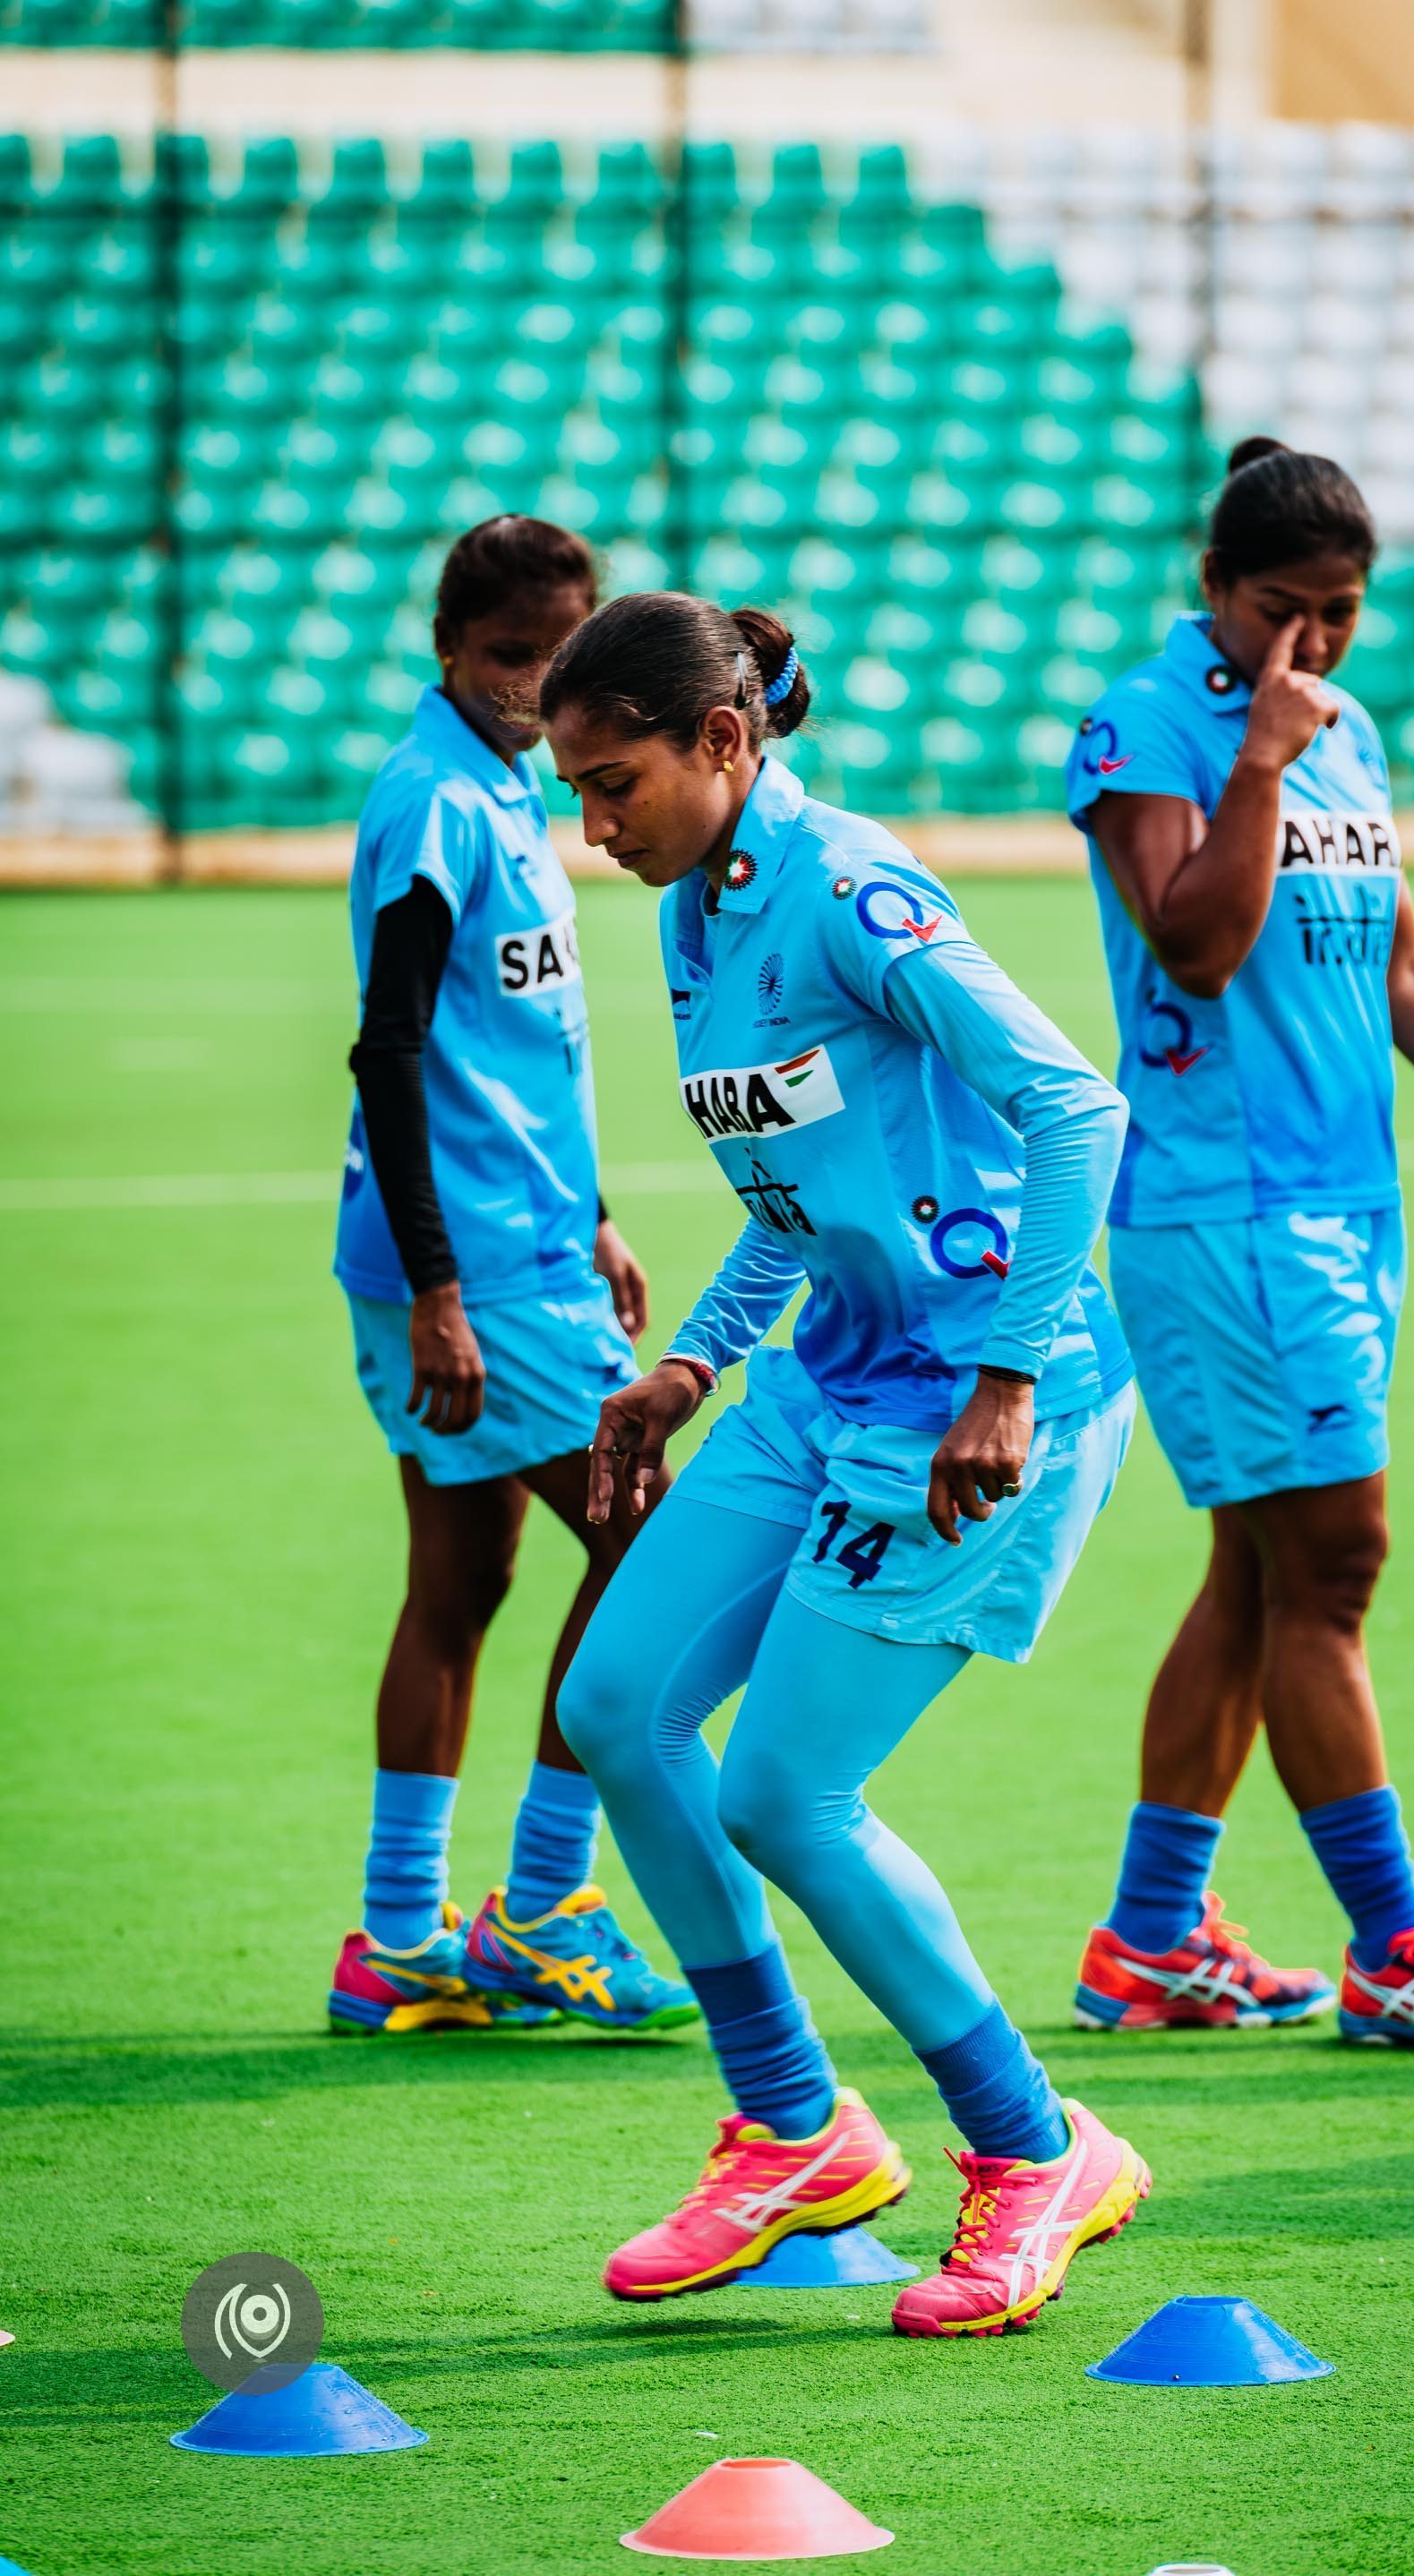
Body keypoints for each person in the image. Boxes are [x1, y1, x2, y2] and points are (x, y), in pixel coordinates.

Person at [534, 590, 1148, 2338]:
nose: (596, 822)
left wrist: (1009, 1374)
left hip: (978, 1404)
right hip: (829, 1375)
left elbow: (1079, 1109)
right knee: (618, 1703)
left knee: (781, 1794)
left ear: (724, 743)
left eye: (617, 779)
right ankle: (797, 2122)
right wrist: (689, 1367)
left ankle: (1039, 2152)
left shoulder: (853, 889)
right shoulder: (696, 911)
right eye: (578, 789)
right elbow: (800, 1194)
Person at [1066, 440, 1414, 2053]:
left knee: (1261, 1568)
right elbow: (1194, 936)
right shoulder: (1154, 726)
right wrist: (1258, 753)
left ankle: (1152, 1938)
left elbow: (1401, 968)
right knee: (1335, 1563)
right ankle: (1395, 1945)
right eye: (1279, 611)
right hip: (1225, 1210)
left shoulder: (1346, 731)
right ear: (1213, 591)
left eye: (1339, 616)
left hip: (1340, 1208)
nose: (1308, 646)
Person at [327, 514, 695, 2041]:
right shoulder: (435, 798)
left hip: (527, 1245)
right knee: (643, 1538)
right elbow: (394, 1047)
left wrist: (600, 1206)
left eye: (557, 654)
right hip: (473, 1268)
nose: (532, 682)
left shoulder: (502, 787)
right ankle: (542, 1908)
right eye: (506, 655)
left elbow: (514, 1053)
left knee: (464, 1581)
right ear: (446, 652)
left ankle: (396, 1937)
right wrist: (437, 1287)